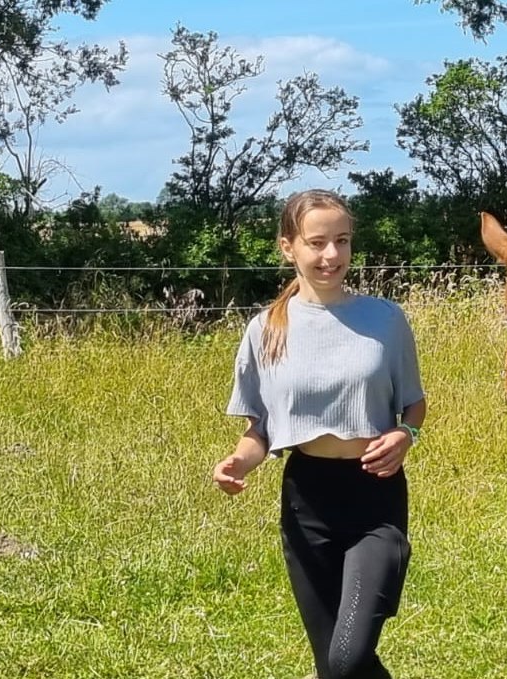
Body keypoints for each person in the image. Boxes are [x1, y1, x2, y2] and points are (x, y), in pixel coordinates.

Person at [211, 189, 426, 679]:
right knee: (333, 667)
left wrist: (406, 434)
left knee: (347, 659)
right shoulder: (265, 329)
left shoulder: (386, 320)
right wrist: (240, 461)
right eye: (317, 242)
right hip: (306, 501)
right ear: (289, 247)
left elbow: (413, 401)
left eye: (343, 241)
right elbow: (259, 428)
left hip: (375, 499)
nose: (332, 256)